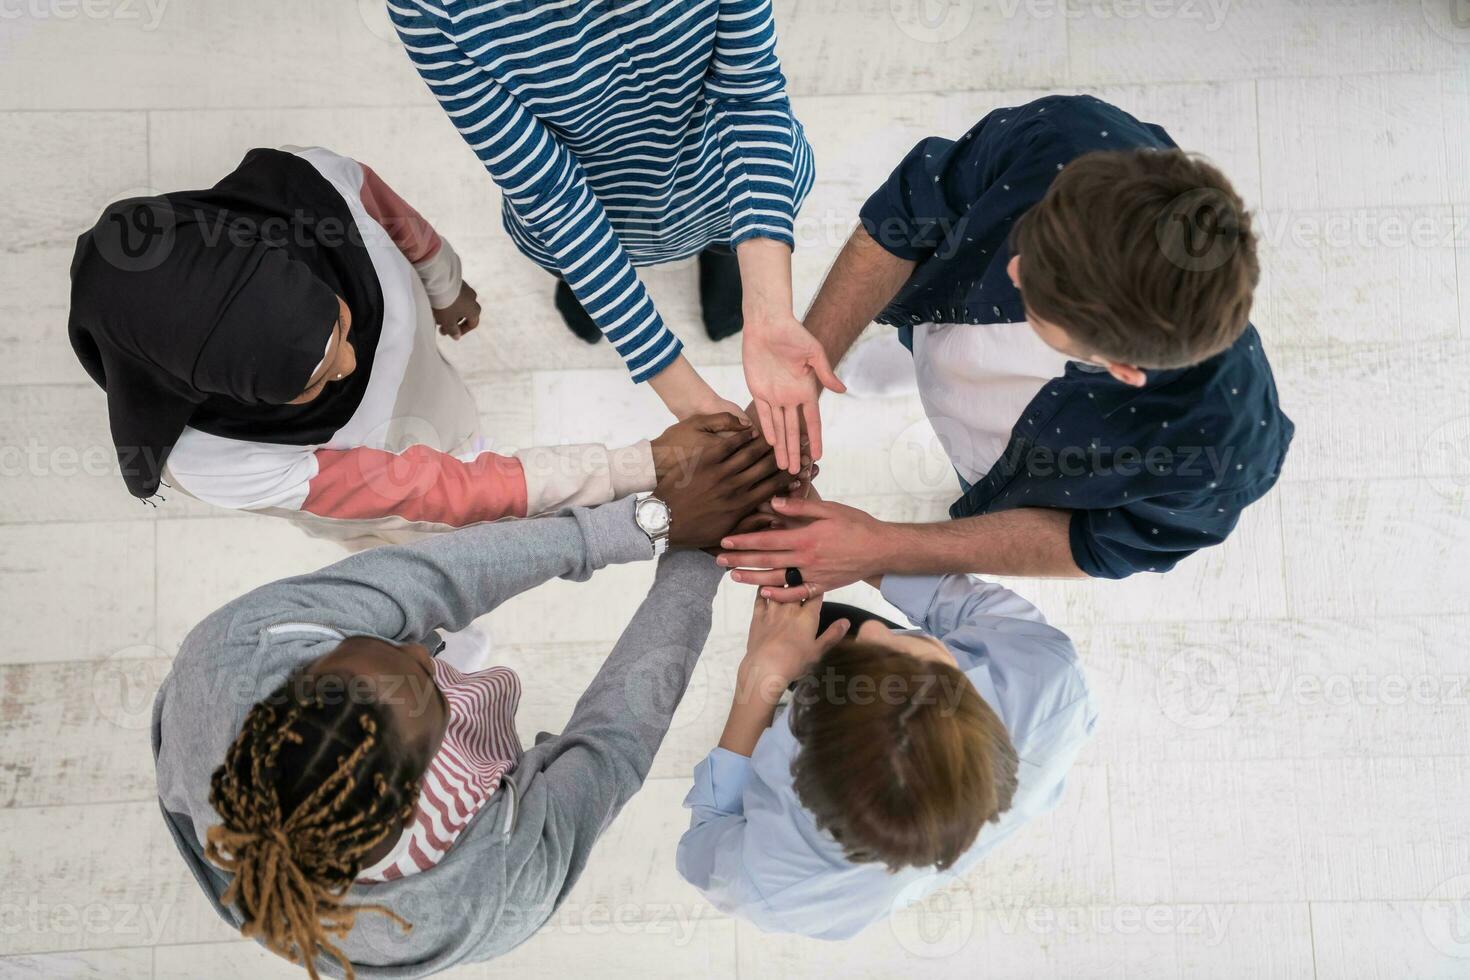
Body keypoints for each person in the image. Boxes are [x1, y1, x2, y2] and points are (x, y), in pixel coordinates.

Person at [153, 418, 788, 979]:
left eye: (377, 643)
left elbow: (437, 577)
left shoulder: (239, 646)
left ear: (289, 687)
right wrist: (700, 554)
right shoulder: (500, 891)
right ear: (416, 797)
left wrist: (648, 521)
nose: (426, 649)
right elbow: (610, 744)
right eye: (431, 688)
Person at [715, 95, 1295, 598]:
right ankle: (914, 357)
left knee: (972, 446)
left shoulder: (1218, 460)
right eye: (1032, 239)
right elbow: (908, 213)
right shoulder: (1069, 136)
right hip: (939, 320)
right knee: (927, 349)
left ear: (1120, 368)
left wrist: (885, 546)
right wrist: (809, 367)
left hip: (1008, 461)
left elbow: (1096, 545)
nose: (1011, 266)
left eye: (1040, 299)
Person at [68, 145, 763, 547]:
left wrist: (443, 282)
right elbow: (444, 491)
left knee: (452, 425)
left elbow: (396, 218)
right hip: (387, 496)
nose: (349, 364)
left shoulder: (313, 187)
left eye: (336, 325)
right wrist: (645, 463)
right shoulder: (225, 462)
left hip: (433, 399)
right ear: (215, 389)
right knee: (420, 537)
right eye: (307, 382)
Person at [388, 0, 844, 474]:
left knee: (729, 243)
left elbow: (748, 96)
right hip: (585, 218)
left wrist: (768, 307)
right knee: (576, 270)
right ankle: (588, 287)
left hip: (732, 189)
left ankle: (723, 260)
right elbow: (551, 194)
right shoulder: (430, 8)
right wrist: (686, 396)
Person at [676, 558, 1096, 937]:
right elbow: (982, 613)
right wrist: (860, 553)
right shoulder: (1051, 683)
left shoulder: (769, 888)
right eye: (919, 648)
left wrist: (759, 681)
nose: (875, 628)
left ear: (799, 764)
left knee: (827, 625)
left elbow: (706, 834)